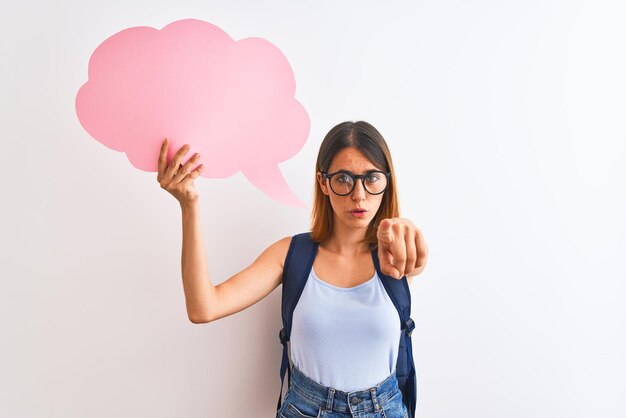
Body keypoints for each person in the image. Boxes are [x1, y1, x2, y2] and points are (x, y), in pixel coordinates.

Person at [157, 120, 429, 418]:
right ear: (323, 182)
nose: (359, 195)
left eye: (372, 178)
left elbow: (414, 252)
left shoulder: (397, 256)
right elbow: (203, 308)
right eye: (343, 179)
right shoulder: (291, 254)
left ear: (387, 181)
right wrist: (189, 205)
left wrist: (406, 230)